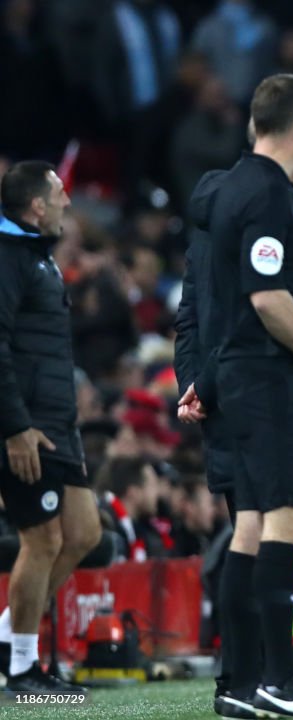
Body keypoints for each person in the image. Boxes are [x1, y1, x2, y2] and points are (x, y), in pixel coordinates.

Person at [176, 73, 293, 718]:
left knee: (249, 526)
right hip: (269, 379)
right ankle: (279, 683)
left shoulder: (227, 194)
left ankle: (242, 688)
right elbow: (268, 296)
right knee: (287, 521)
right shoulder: (270, 197)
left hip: (235, 378)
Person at [0, 161, 100, 694]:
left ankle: (5, 635)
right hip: (26, 428)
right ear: (36, 206)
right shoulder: (8, 257)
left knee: (85, 533)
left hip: (58, 424)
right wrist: (14, 427)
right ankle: (20, 666)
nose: (67, 200)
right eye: (61, 193)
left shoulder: (38, 259)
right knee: (40, 541)